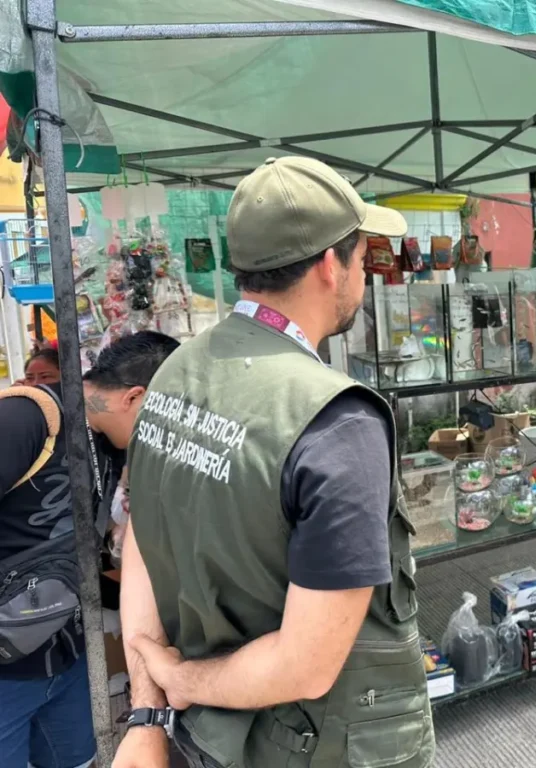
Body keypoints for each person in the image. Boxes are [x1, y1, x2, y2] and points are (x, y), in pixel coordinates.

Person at [113, 157, 435, 768]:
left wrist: (151, 709)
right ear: (327, 266)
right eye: (363, 259)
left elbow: (142, 540)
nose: (364, 276)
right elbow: (307, 666)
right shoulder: (337, 421)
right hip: (313, 746)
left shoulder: (174, 373)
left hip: (205, 738)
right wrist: (179, 683)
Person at [0, 331, 177, 768]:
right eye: (163, 417)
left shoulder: (105, 438)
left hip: (68, 656)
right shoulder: (26, 419)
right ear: (133, 398)